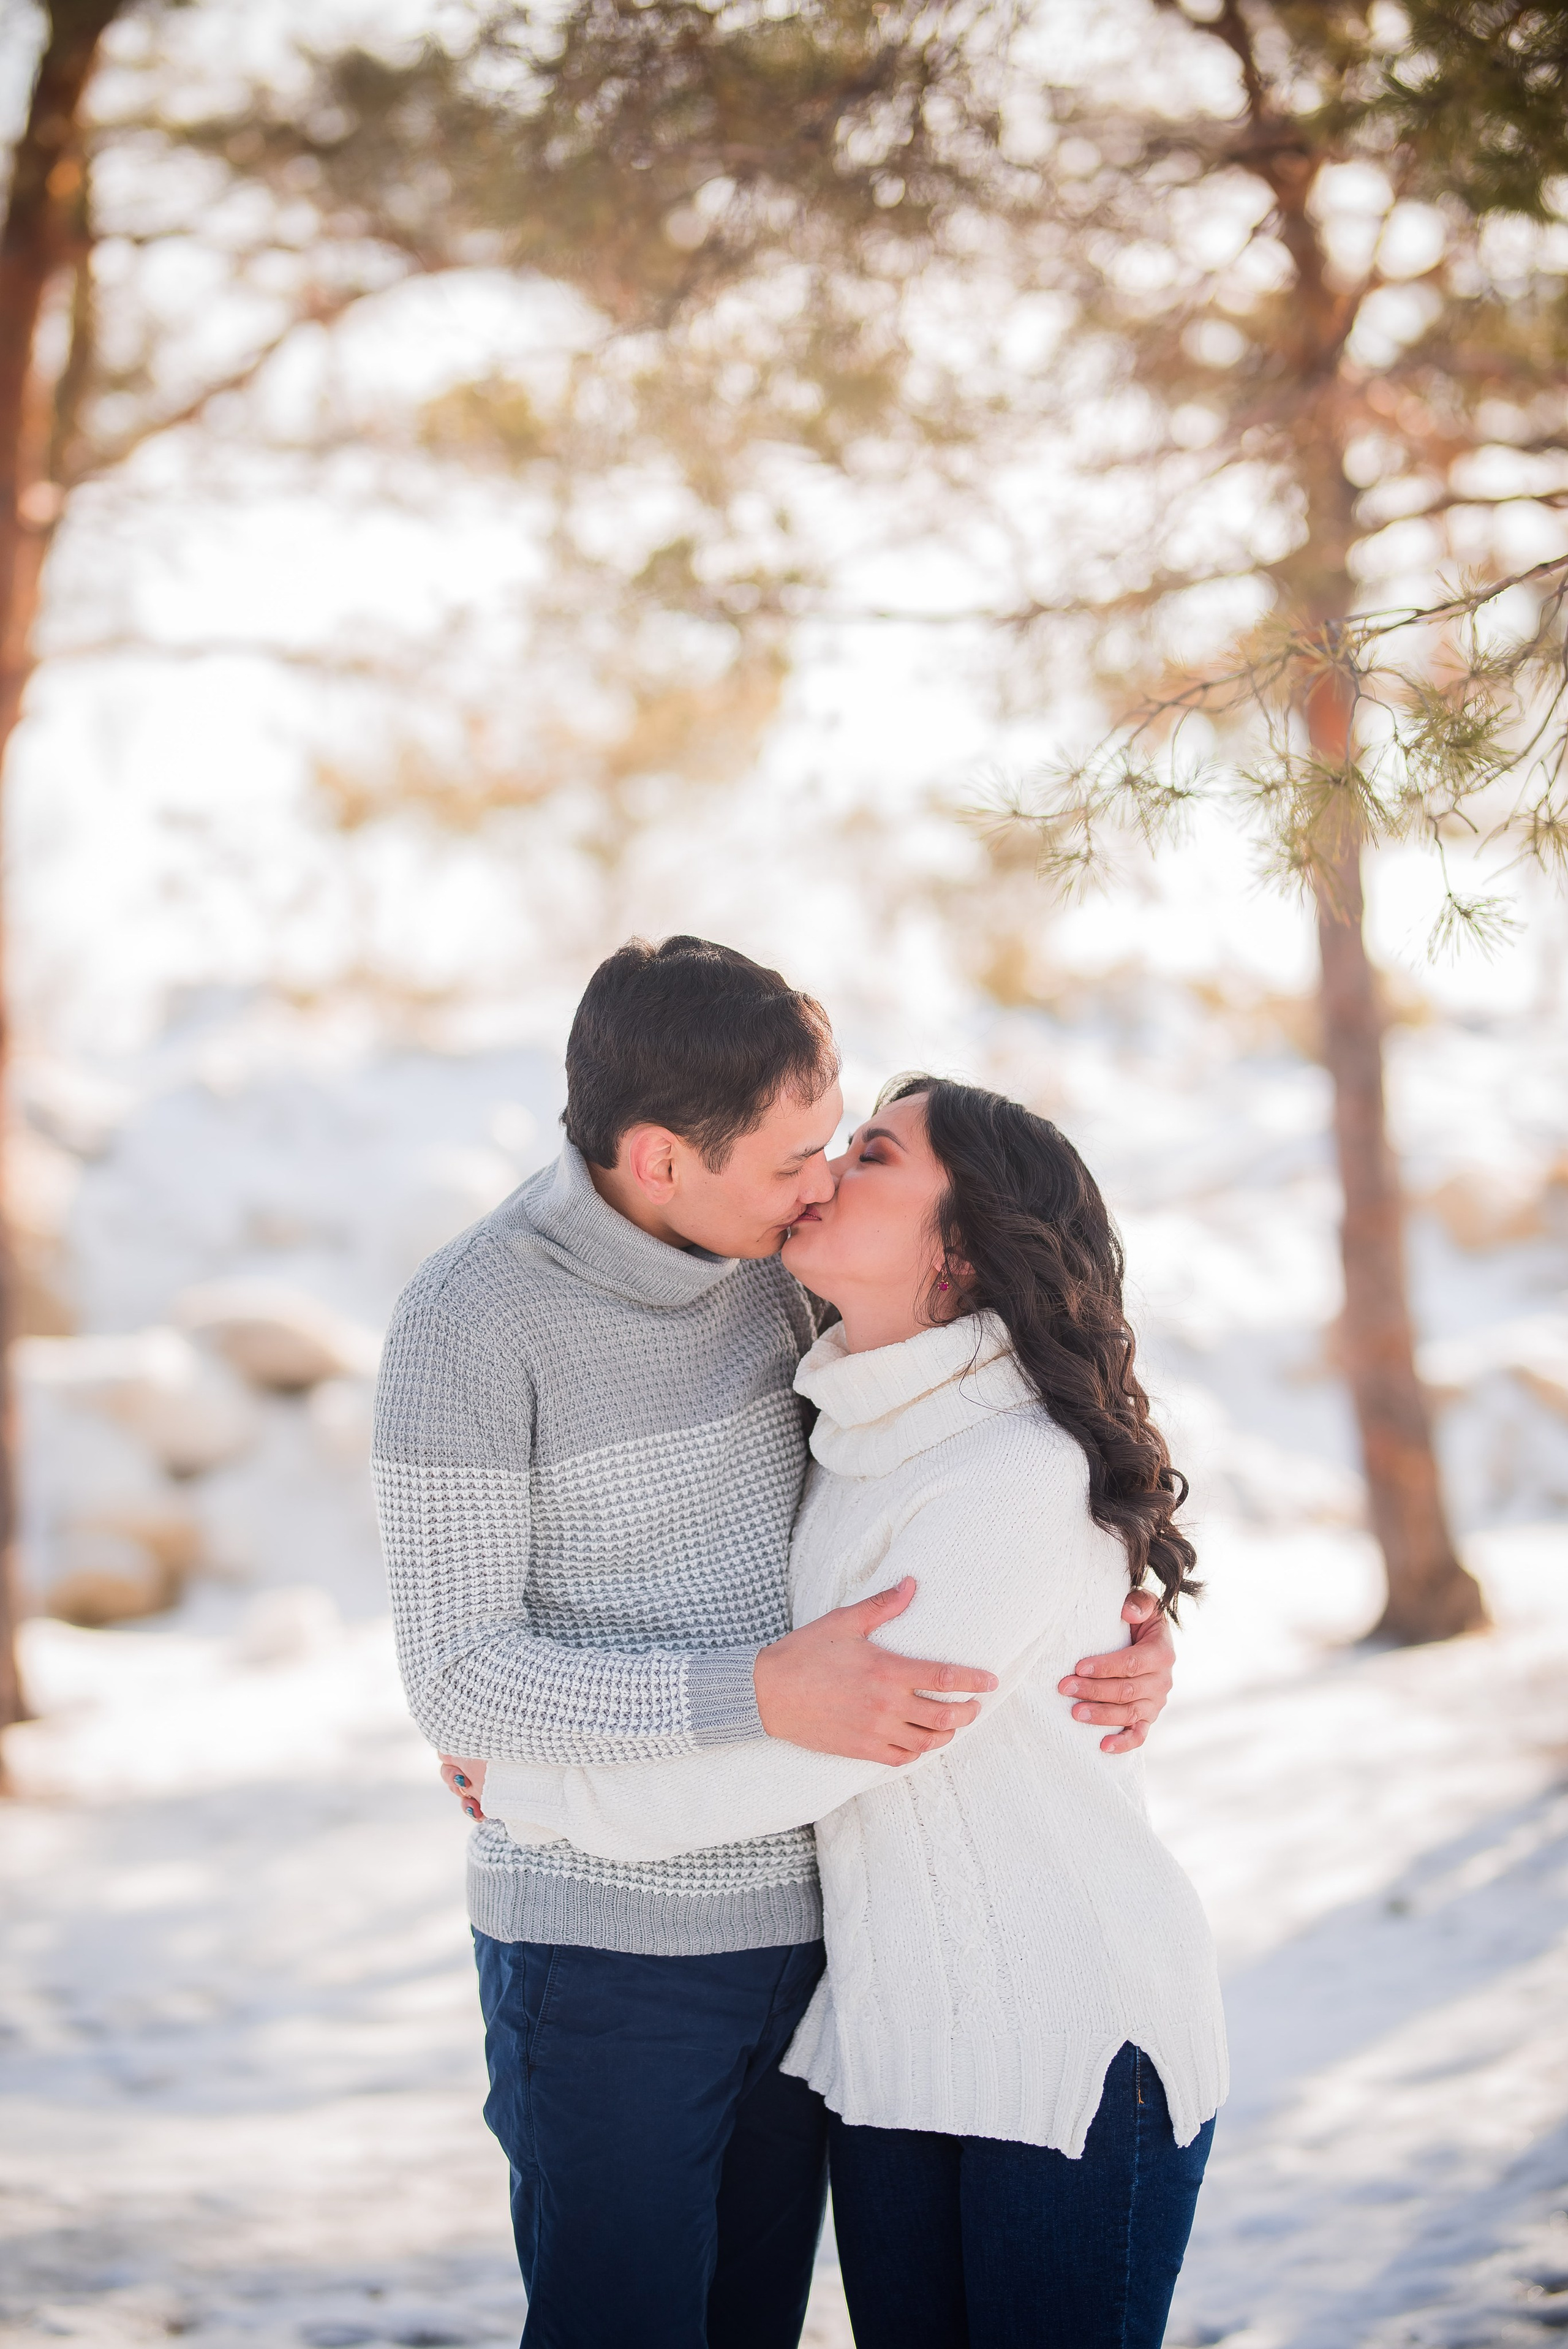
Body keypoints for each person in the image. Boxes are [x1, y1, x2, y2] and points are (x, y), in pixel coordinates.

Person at [375, 937, 1179, 2349]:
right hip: (607, 1951)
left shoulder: (778, 1266)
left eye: (843, 1146)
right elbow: (456, 1675)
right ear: (658, 1159)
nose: (819, 1182)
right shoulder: (471, 1320)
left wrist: (1120, 1608)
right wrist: (750, 1693)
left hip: (820, 1950)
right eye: (797, 1154)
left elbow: (1015, 1381)